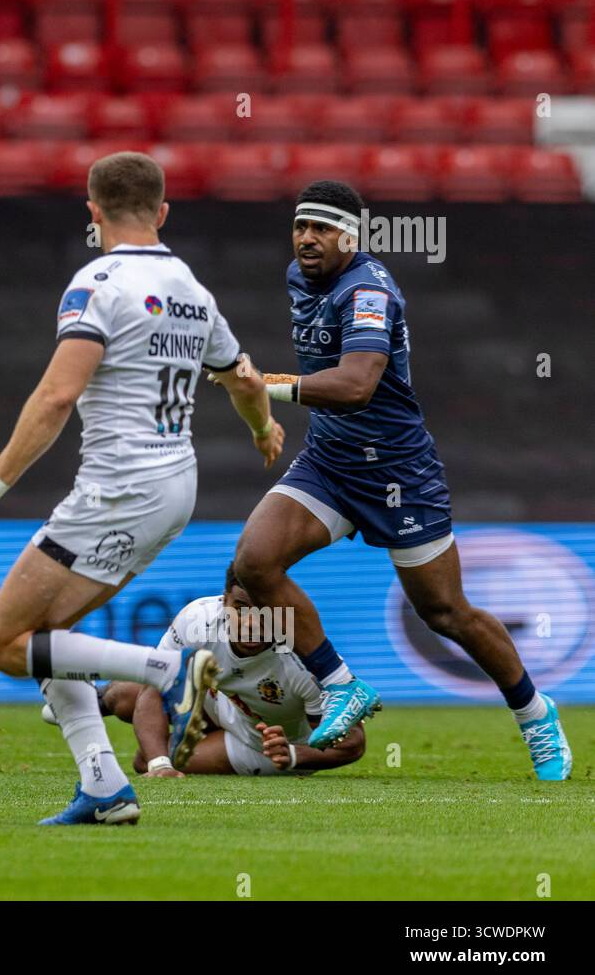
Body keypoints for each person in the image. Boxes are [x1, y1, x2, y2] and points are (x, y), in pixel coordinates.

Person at [0, 151, 284, 824]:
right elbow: (242, 378)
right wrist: (263, 430)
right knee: (49, 634)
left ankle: (166, 672)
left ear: (92, 212)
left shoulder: (97, 282)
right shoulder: (192, 289)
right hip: (175, 483)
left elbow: (56, 395)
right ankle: (103, 786)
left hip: (121, 486)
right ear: (162, 212)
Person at [213, 180, 569, 779]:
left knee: (446, 613)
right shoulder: (299, 277)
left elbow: (356, 386)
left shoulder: (368, 290)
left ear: (350, 235)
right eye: (300, 226)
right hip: (329, 463)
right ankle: (339, 684)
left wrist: (264, 385)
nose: (306, 238)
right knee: (252, 562)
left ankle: (536, 716)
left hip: (398, 472)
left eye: (321, 228)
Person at [48, 564, 366, 778]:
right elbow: (154, 686)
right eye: (240, 607)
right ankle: (88, 701)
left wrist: (295, 754)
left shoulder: (303, 656)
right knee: (127, 693)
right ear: (224, 600)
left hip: (258, 744)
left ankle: (181, 733)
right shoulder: (199, 619)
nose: (251, 622)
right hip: (224, 701)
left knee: (141, 760)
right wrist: (161, 768)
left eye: (264, 610)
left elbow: (354, 742)